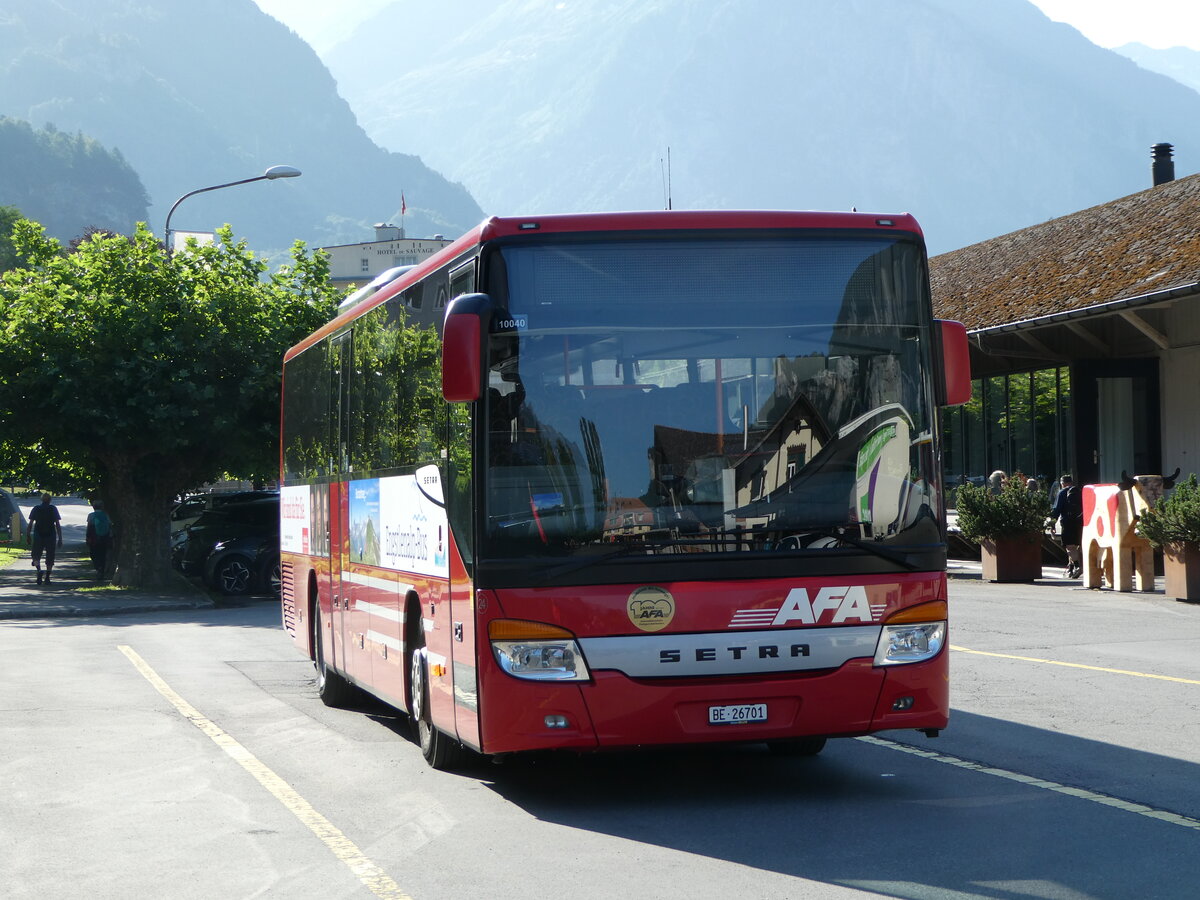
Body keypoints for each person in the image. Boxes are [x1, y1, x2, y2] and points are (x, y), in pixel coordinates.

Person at [1048, 474, 1084, 578]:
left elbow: (1057, 510)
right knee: (1076, 546)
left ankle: (1077, 566)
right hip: (1080, 522)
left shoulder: (1062, 492)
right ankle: (1071, 568)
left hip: (1067, 522)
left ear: (1062, 483)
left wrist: (1052, 525)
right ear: (1071, 482)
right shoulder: (1079, 492)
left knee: (1070, 547)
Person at [26, 493, 63, 585]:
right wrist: (60, 538)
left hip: (38, 535)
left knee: (35, 555)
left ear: (41, 500)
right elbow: (57, 524)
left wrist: (28, 535)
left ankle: (39, 570)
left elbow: (30, 523)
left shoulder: (36, 508)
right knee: (50, 556)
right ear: (50, 500)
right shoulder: (53, 508)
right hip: (51, 535)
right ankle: (47, 577)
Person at [86, 499, 114, 578]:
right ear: (102, 507)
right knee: (103, 553)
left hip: (94, 538)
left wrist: (87, 537)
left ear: (94, 507)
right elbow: (110, 525)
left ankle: (98, 567)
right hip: (104, 537)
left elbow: (89, 527)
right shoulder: (105, 515)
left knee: (93, 553)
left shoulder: (91, 515)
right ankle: (101, 569)